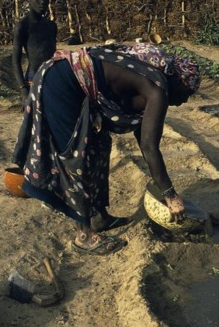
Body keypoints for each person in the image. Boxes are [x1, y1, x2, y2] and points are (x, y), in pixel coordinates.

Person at [13, 43, 200, 255]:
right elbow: (150, 147)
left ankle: (99, 216)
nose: (184, 101)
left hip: (75, 83)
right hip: (59, 83)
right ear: (177, 81)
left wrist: (165, 186)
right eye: (187, 92)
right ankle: (84, 235)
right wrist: (171, 195)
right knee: (76, 155)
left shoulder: (151, 83)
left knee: (99, 145)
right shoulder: (157, 91)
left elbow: (144, 139)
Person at [12, 0, 58, 102]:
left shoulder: (51, 26)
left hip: (53, 79)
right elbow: (15, 60)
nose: (43, 1)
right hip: (33, 80)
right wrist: (23, 89)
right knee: (33, 119)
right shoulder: (23, 26)